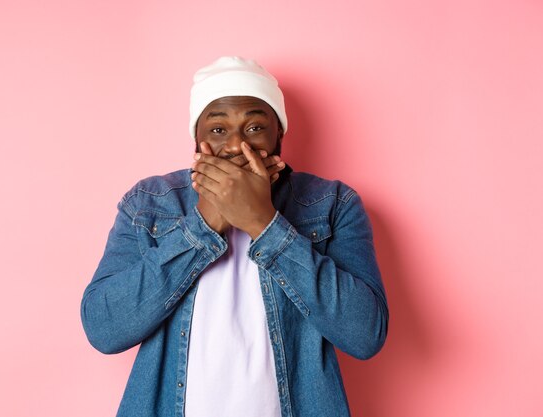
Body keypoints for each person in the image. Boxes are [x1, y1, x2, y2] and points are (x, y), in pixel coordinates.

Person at [80, 56, 389, 417]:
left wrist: (264, 223)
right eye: (217, 130)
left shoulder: (332, 204)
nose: (235, 147)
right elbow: (105, 329)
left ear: (280, 136)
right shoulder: (149, 203)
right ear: (196, 139)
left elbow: (365, 335)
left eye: (255, 128)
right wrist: (204, 225)